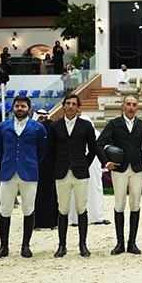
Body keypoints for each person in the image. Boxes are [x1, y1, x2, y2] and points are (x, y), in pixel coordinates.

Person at [0, 96, 47, 260]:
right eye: (17, 106)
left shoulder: (38, 128)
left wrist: (30, 162)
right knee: (5, 210)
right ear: (13, 108)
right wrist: (7, 161)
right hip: (8, 171)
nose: (20, 109)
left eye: (23, 106)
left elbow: (42, 152)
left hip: (29, 173)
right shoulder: (3, 126)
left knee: (28, 209)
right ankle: (3, 246)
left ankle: (25, 245)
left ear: (29, 108)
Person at [96, 95, 142, 255]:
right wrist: (106, 163)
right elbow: (98, 143)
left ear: (137, 107)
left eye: (134, 105)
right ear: (123, 106)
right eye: (128, 104)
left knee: (136, 204)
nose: (131, 107)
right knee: (119, 204)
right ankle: (119, 243)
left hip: (137, 169)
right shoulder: (114, 124)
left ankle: (132, 242)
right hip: (119, 169)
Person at [48, 94, 97, 258]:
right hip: (61, 172)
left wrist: (84, 163)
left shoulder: (86, 126)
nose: (70, 106)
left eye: (73, 104)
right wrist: (57, 165)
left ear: (78, 108)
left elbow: (93, 149)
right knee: (63, 209)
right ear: (63, 106)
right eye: (67, 103)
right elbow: (50, 151)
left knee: (81, 209)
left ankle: (83, 245)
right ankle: (62, 245)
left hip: (80, 173)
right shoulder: (55, 126)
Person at [68, 114, 111, 226]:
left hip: (94, 165)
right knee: (76, 190)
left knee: (95, 188)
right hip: (78, 164)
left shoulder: (96, 134)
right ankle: (75, 218)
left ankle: (97, 216)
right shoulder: (72, 133)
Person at [32, 109, 58, 230]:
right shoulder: (32, 129)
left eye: (45, 118)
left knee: (52, 194)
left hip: (50, 167)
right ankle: (37, 222)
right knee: (36, 195)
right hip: (36, 167)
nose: (43, 121)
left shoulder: (52, 127)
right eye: (40, 118)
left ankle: (53, 221)